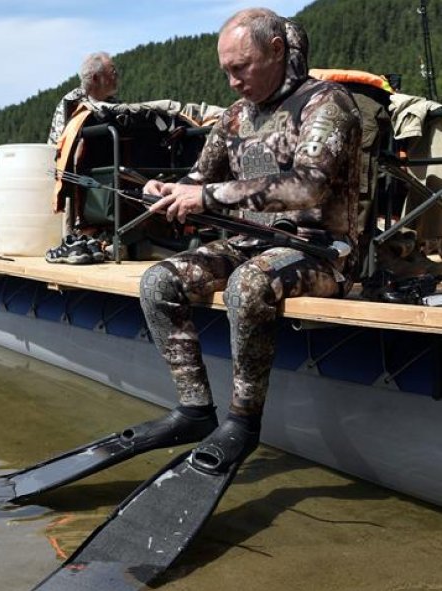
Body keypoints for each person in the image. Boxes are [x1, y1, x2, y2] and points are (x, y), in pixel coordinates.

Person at [135, 8, 363, 471]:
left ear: (276, 51)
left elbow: (308, 186)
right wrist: (165, 189)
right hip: (249, 244)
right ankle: (196, 410)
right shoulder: (237, 116)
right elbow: (200, 176)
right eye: (226, 72)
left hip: (319, 253)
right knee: (158, 281)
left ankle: (242, 423)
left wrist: (207, 195)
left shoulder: (327, 102)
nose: (233, 82)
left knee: (248, 284)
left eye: (241, 68)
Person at [47, 51, 119, 145]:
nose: (116, 75)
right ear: (95, 78)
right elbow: (59, 146)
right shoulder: (71, 103)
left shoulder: (113, 102)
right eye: (112, 72)